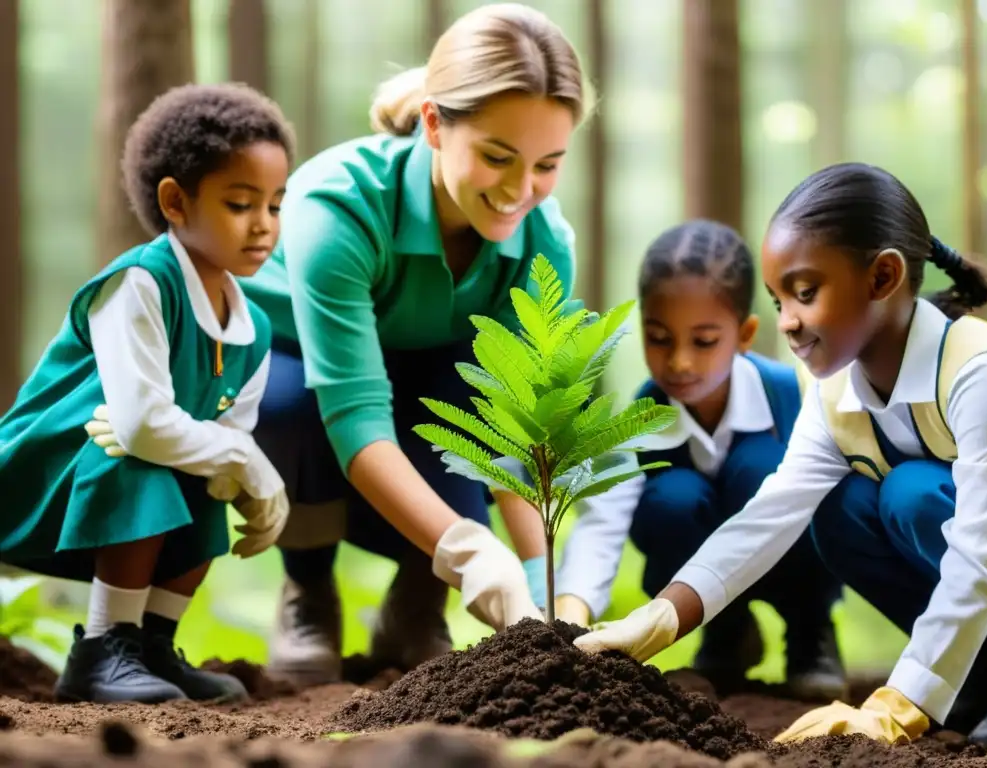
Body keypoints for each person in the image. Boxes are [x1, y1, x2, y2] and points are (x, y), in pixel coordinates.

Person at [572, 163, 987, 748]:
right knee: (843, 508)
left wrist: (898, 704)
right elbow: (769, 516)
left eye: (806, 293)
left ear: (883, 276)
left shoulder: (982, 372)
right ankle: (975, 675)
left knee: (914, 495)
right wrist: (660, 618)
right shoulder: (834, 391)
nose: (787, 323)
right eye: (780, 298)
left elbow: (982, 552)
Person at [239, 2, 590, 686]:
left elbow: (511, 426)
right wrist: (467, 551)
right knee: (286, 406)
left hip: (434, 373)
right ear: (434, 123)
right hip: (305, 369)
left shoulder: (544, 243)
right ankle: (308, 590)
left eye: (548, 164)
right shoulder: (337, 209)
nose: (522, 191)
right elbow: (356, 413)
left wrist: (545, 587)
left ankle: (414, 602)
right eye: (497, 157)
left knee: (470, 419)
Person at [0, 83, 295, 704]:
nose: (263, 225)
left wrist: (237, 465)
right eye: (241, 203)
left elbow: (226, 441)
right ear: (175, 201)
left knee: (207, 473)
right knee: (142, 450)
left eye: (275, 204)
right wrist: (243, 460)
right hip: (49, 466)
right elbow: (138, 425)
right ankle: (102, 649)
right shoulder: (140, 282)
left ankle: (151, 645)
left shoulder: (253, 326)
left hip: (125, 468)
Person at [553, 220, 845, 700]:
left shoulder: (794, 397)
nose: (679, 362)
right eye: (659, 338)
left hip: (795, 560)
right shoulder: (639, 419)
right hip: (697, 584)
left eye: (704, 341)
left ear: (745, 333)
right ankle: (725, 630)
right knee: (670, 497)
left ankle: (810, 631)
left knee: (759, 471)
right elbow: (601, 525)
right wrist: (570, 616)